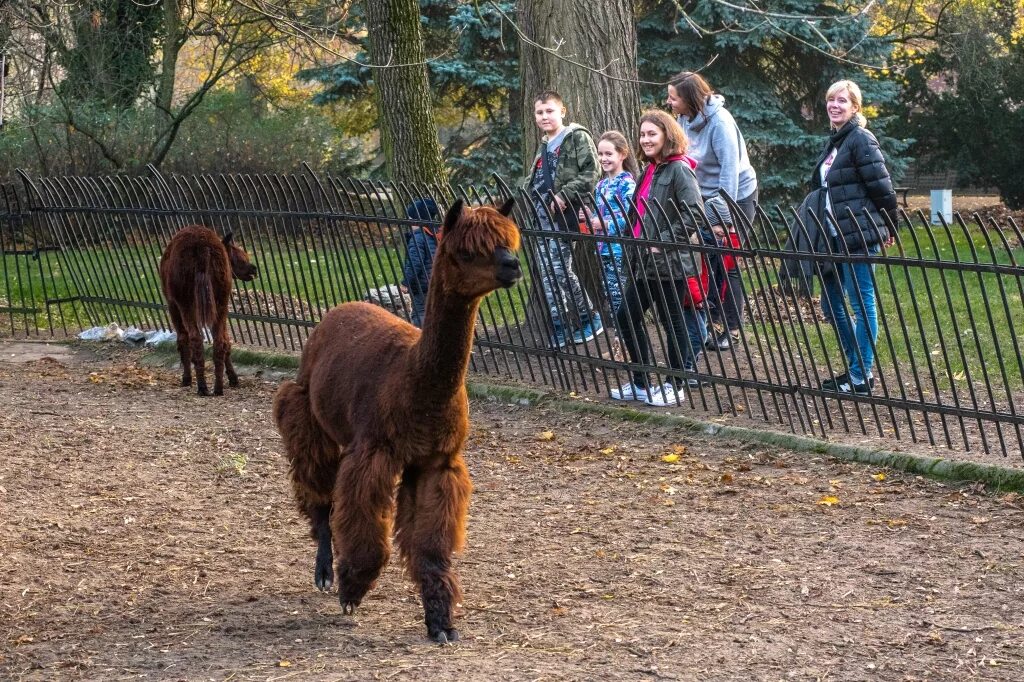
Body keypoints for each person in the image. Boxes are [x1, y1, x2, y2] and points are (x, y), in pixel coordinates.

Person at [610, 110, 708, 407]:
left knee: (672, 321)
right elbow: (638, 214)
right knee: (627, 316)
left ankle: (675, 384)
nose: (646, 139)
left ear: (668, 135)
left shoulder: (678, 169)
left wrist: (662, 243)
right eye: (642, 134)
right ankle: (641, 381)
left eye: (652, 133)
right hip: (645, 263)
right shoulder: (651, 170)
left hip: (670, 263)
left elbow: (695, 214)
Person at [812, 79, 898, 394]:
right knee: (831, 301)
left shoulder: (861, 139)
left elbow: (882, 186)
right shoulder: (836, 141)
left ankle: (861, 376)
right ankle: (855, 369)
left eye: (842, 101)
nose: (835, 105)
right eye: (831, 99)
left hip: (859, 235)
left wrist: (890, 225)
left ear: (855, 107)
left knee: (862, 304)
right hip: (833, 235)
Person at [667, 71, 758, 350]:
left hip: (734, 195)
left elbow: (729, 173)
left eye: (673, 97)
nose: (669, 102)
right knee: (704, 261)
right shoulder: (683, 118)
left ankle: (730, 328)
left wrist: (722, 215)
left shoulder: (721, 123)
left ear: (690, 98)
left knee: (725, 261)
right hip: (701, 195)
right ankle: (707, 322)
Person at [523, 90, 603, 348]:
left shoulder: (577, 137)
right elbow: (533, 180)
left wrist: (563, 196)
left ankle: (588, 318)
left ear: (562, 112)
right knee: (548, 273)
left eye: (549, 111)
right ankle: (561, 327)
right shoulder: (544, 145)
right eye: (539, 112)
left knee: (558, 270)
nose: (544, 116)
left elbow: (592, 173)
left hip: (563, 217)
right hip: (541, 218)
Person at [585, 130, 638, 317]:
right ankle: (620, 340)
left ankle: (623, 340)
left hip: (619, 252)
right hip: (603, 250)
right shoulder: (601, 185)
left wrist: (606, 225)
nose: (603, 158)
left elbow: (633, 219)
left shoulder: (627, 185)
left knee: (619, 299)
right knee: (611, 296)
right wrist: (589, 216)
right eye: (600, 154)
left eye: (609, 154)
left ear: (622, 154)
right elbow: (601, 216)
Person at [399, 197, 441, 328]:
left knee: (420, 314)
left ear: (418, 220)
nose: (409, 222)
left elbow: (415, 263)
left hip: (421, 285)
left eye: (411, 219)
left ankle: (422, 341)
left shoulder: (417, 238)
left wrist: (406, 282)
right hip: (436, 282)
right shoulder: (436, 234)